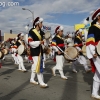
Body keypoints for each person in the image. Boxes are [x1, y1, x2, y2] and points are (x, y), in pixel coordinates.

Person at [28, 17, 48, 88]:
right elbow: (30, 42)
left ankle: (32, 79)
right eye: (41, 23)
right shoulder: (31, 31)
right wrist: (40, 42)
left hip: (40, 51)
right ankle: (41, 82)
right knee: (39, 66)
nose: (42, 24)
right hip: (35, 51)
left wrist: (45, 42)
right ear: (37, 24)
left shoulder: (42, 32)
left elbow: (44, 43)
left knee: (34, 66)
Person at [86, 8, 100, 99]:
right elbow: (90, 40)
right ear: (98, 17)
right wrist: (93, 52)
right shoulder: (93, 28)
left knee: (98, 74)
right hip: (97, 52)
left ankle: (94, 93)